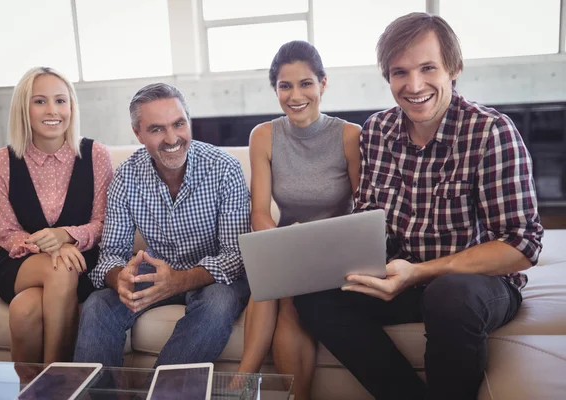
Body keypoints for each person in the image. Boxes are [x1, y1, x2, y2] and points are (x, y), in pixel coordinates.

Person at [293, 12, 544, 400]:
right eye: (399, 72)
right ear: (387, 77)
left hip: (476, 285)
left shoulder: (491, 132)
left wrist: (420, 273)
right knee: (314, 296)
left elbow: (521, 246)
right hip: (402, 275)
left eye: (428, 68)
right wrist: (326, 249)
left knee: (448, 294)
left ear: (453, 68)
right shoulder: (377, 131)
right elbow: (371, 217)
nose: (414, 85)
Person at [73, 83, 251, 367]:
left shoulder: (224, 168)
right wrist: (120, 278)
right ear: (138, 133)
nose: (172, 138)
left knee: (219, 303)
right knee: (97, 305)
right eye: (156, 129)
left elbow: (235, 257)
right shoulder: (126, 176)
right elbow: (111, 256)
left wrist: (178, 281)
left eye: (179, 124)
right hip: (156, 271)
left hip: (214, 278)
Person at [237, 40, 361, 399]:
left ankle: (251, 384)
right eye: (285, 86)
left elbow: (365, 206)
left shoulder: (350, 135)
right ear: (275, 89)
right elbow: (259, 211)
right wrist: (281, 243)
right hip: (285, 243)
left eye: (305, 83)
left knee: (289, 294)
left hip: (335, 249)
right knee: (270, 284)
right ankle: (245, 381)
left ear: (323, 84)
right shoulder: (263, 136)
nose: (295, 95)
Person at [0, 66, 113, 363]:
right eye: (40, 101)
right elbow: (7, 232)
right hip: (21, 264)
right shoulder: (3, 161)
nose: (52, 110)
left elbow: (103, 224)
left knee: (24, 309)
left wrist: (66, 236)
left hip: (82, 263)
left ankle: (33, 389)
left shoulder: (96, 155)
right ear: (24, 108)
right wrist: (48, 244)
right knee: (58, 266)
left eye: (60, 100)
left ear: (71, 106)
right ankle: (59, 380)